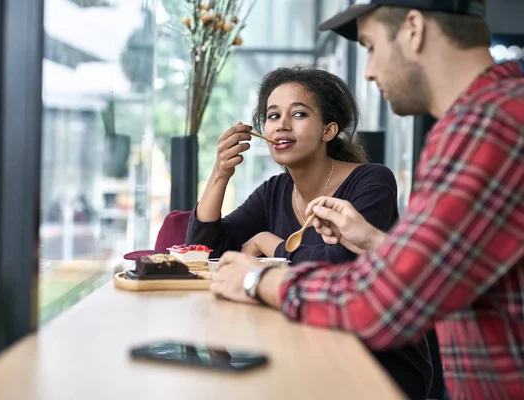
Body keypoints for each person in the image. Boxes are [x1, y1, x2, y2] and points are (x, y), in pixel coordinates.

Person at [210, 1, 524, 399]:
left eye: (372, 46)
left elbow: (382, 301)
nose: (370, 70)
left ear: (413, 28)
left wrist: (257, 279)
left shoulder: (487, 127)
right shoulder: (497, 114)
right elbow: (443, 270)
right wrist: (376, 242)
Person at [187, 66, 432, 399]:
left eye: (298, 113)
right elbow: (203, 252)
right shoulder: (274, 190)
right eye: (272, 116)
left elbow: (338, 266)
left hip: (377, 363)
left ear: (328, 130)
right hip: (303, 353)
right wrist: (219, 175)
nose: (282, 124)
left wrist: (268, 243)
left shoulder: (373, 181)